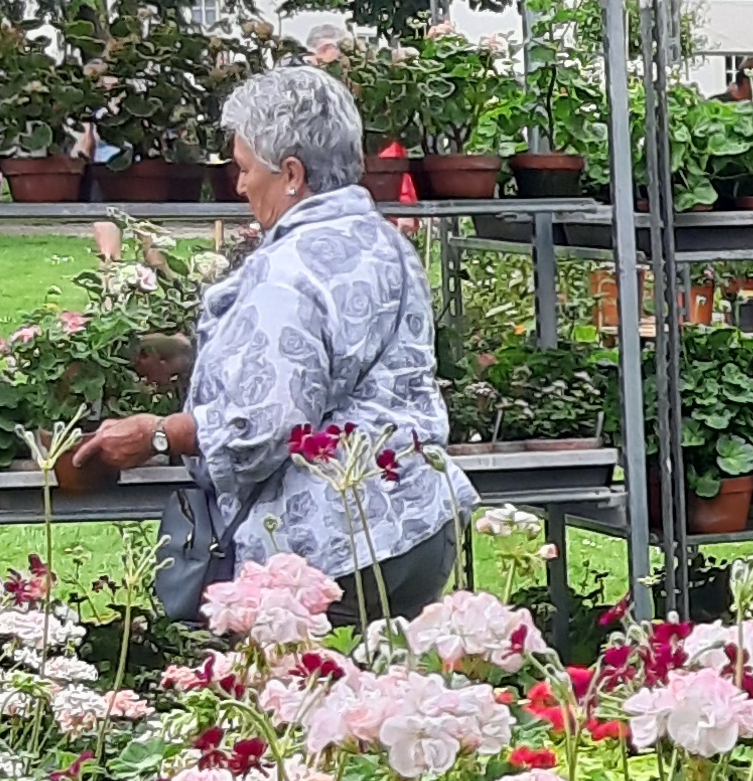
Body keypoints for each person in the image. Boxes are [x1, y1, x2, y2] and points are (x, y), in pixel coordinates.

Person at [72, 64, 474, 619]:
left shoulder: (288, 267)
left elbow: (264, 426)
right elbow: (346, 360)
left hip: (332, 545)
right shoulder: (384, 242)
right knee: (391, 673)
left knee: (292, 677)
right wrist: (194, 358)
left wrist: (158, 435)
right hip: (419, 523)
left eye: (244, 168)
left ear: (291, 173)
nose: (239, 185)